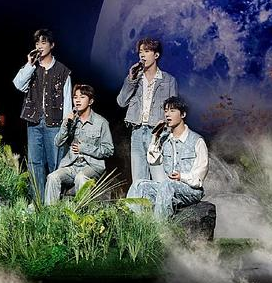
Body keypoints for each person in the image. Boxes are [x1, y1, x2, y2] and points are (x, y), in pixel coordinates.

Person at [13, 29, 72, 203]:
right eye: (37, 42)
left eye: (43, 42)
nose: (39, 46)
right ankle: (37, 202)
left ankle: (54, 202)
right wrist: (29, 65)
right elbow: (18, 84)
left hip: (55, 123)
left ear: (52, 45)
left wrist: (66, 126)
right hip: (34, 122)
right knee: (35, 163)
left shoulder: (63, 71)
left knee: (55, 163)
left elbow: (67, 100)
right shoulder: (32, 68)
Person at [127, 97, 207, 219]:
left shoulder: (197, 141)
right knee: (139, 185)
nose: (167, 114)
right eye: (165, 111)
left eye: (172, 111)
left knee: (166, 185)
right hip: (168, 188)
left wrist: (181, 177)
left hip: (190, 190)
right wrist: (155, 136)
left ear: (183, 114)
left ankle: (160, 227)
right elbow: (152, 160)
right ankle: (133, 223)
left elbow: (199, 179)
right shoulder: (165, 139)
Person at [116, 38, 177, 184]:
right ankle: (140, 201)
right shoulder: (135, 78)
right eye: (140, 52)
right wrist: (131, 79)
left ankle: (161, 200)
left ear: (156, 55)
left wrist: (168, 133)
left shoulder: (168, 80)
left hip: (158, 133)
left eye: (147, 51)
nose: (142, 55)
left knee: (160, 179)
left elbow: (174, 111)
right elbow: (121, 102)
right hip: (137, 132)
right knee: (138, 179)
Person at [45, 85, 114, 204]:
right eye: (75, 97)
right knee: (52, 177)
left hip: (92, 166)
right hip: (72, 165)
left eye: (82, 97)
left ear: (90, 101)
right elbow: (57, 142)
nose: (77, 100)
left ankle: (83, 213)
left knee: (80, 178)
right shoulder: (70, 121)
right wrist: (66, 125)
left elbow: (109, 150)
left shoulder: (101, 122)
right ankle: (50, 213)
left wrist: (84, 148)